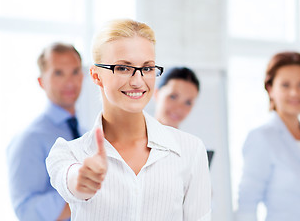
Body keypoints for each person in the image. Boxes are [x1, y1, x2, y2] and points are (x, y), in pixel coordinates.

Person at [46, 19, 211, 220]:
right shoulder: (70, 153)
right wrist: (81, 181)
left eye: (147, 68)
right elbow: (72, 180)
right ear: (96, 75)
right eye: (123, 68)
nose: (137, 81)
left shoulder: (190, 150)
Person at [236, 52, 300, 221]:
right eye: (286, 85)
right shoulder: (262, 137)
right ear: (271, 89)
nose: (295, 92)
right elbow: (246, 204)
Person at [7, 42, 84, 221]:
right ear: (42, 82)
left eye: (75, 71)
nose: (70, 82)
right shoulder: (29, 139)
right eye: (58, 73)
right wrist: (82, 193)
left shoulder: (88, 133)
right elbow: (27, 212)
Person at [153, 67, 214, 167]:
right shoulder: (130, 144)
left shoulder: (194, 153)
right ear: (156, 94)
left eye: (188, 102)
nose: (179, 109)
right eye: (173, 97)